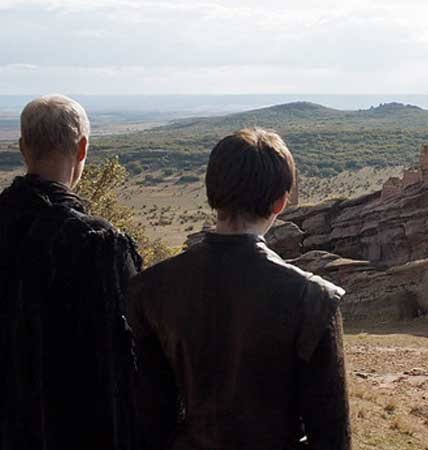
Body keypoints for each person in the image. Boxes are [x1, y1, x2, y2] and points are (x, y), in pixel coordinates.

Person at [129, 128, 351, 450]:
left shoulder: (150, 289)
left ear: (211, 193)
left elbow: (150, 420)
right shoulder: (313, 299)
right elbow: (331, 436)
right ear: (281, 202)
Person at [0, 95, 143, 450]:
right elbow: (123, 360)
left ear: (22, 148)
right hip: (71, 429)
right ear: (82, 149)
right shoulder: (97, 243)